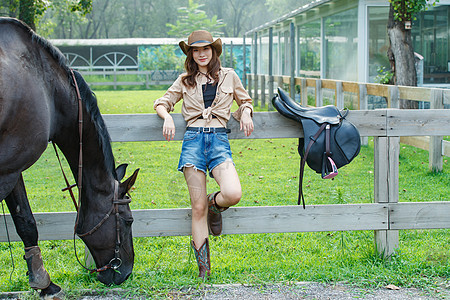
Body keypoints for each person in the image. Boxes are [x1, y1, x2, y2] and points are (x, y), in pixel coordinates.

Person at [154, 30, 254, 279]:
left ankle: (214, 206)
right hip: (193, 142)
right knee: (196, 207)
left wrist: (247, 112)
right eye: (196, 50)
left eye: (205, 49)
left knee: (232, 193)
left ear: (214, 51)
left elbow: (245, 101)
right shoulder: (184, 79)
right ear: (191, 54)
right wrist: (166, 116)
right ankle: (204, 273)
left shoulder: (230, 76)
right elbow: (162, 102)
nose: (201, 54)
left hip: (219, 141)